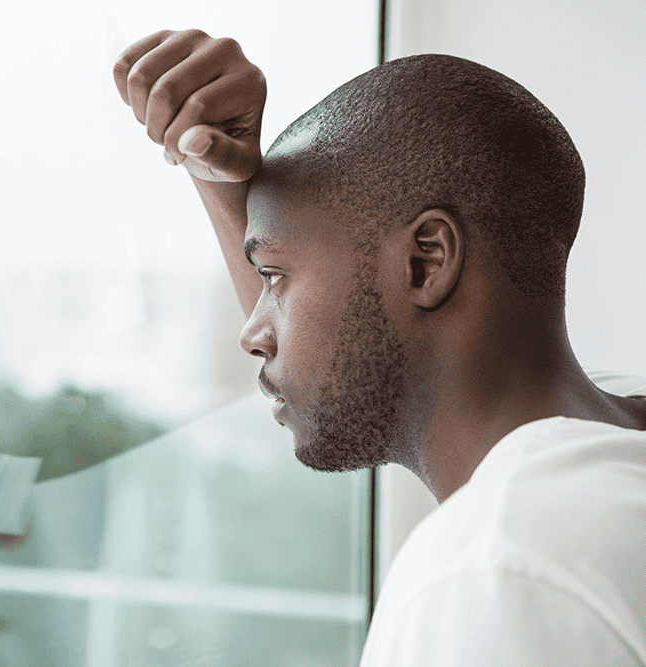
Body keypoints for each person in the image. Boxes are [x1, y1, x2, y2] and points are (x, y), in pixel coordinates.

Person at [114, 30, 646, 666]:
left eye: (275, 278)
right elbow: (343, 343)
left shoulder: (497, 572)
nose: (251, 334)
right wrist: (224, 185)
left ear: (426, 262)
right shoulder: (611, 447)